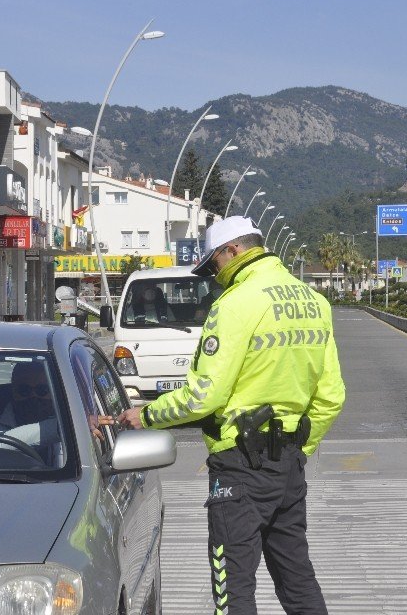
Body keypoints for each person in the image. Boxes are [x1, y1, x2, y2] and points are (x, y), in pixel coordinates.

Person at [118, 216, 346, 615]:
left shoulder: (235, 305)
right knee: (298, 581)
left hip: (239, 468)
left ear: (233, 251)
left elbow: (203, 397)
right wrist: (299, 449)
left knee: (232, 589)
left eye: (213, 265)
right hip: (289, 467)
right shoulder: (314, 302)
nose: (214, 276)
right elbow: (330, 396)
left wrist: (147, 416)